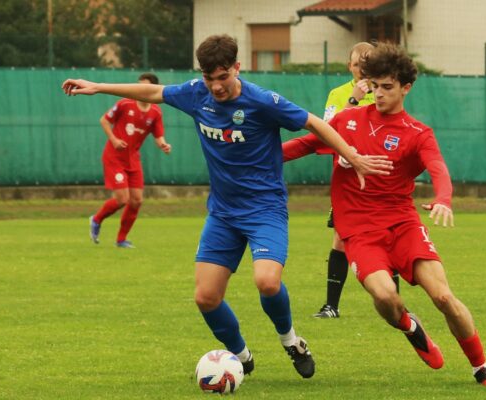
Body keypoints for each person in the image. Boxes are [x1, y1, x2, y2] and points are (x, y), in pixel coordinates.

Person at [62, 34, 392, 379]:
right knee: (205, 297)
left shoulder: (262, 101)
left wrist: (352, 156)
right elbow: (153, 93)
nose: (216, 86)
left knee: (266, 281)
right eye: (209, 78)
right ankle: (240, 355)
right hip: (222, 213)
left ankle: (292, 341)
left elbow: (313, 122)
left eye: (223, 77)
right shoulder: (195, 94)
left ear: (237, 67)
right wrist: (97, 86)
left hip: (265, 208)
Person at [282, 42, 486, 388]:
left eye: (387, 87)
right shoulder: (347, 120)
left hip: (403, 224)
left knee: (444, 297)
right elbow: (303, 145)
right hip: (359, 231)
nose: (379, 93)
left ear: (406, 88)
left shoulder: (417, 133)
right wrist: (255, 161)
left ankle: (481, 367)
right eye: (375, 86)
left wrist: (443, 198)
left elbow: (438, 169)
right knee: (386, 297)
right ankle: (409, 326)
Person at [286, 42, 401, 319]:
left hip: (380, 180)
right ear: (349, 66)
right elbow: (326, 130)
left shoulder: (383, 91)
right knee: (340, 238)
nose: (362, 68)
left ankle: (397, 306)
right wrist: (353, 98)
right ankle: (331, 306)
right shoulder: (339, 94)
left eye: (367, 62)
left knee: (389, 237)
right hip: (348, 183)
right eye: (357, 63)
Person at [88, 72, 171, 248]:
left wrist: (163, 145)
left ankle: (121, 239)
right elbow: (104, 120)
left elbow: (159, 136)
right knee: (122, 199)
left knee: (137, 200)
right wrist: (114, 139)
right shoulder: (125, 103)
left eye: (143, 86)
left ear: (152, 89)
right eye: (138, 84)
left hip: (133, 159)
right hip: (114, 157)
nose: (138, 89)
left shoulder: (155, 112)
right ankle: (96, 219)